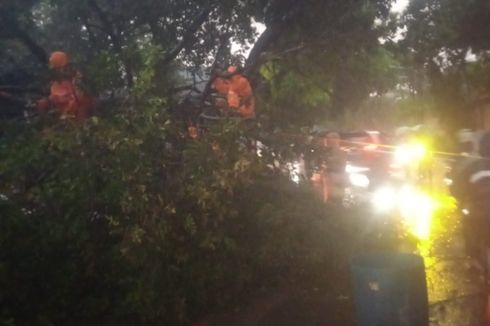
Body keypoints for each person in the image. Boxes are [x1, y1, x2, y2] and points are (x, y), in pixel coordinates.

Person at [36, 51, 95, 121]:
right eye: (55, 69)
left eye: (65, 67)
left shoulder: (76, 77)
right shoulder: (54, 83)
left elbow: (83, 97)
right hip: (66, 115)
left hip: (80, 109)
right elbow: (54, 98)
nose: (65, 70)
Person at [324, 132, 347, 203]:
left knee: (336, 199)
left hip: (337, 176)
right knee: (331, 198)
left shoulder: (342, 153)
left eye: (329, 140)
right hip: (333, 177)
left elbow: (341, 165)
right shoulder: (327, 153)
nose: (327, 142)